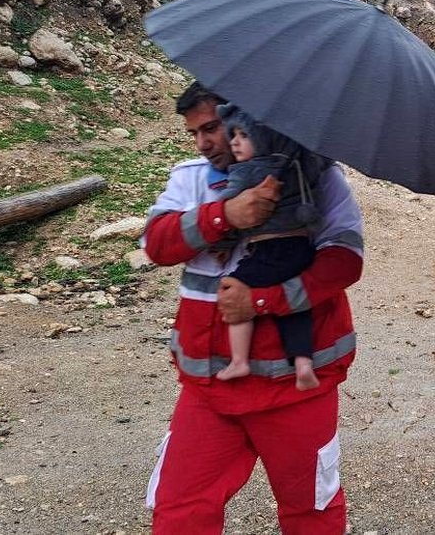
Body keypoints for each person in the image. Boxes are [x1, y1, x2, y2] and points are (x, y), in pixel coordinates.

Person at [141, 82, 364, 534]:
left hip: (296, 389)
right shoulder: (189, 178)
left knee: (310, 511)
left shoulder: (316, 176)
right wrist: (224, 215)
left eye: (212, 128)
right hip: (209, 389)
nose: (203, 143)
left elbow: (345, 260)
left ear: (246, 119)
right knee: (180, 509)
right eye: (194, 133)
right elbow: (157, 244)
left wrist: (262, 300)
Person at [213, 104, 334, 391]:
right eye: (233, 135)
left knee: (233, 288)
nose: (234, 142)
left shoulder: (247, 172)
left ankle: (239, 361)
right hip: (302, 248)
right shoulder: (299, 162)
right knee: (296, 306)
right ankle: (303, 364)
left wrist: (223, 240)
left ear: (264, 136)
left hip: (270, 250)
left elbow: (229, 211)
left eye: (244, 135)